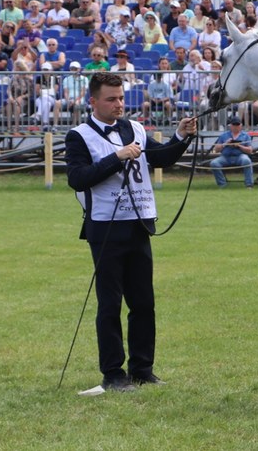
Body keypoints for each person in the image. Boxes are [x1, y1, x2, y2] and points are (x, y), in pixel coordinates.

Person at [65, 72, 198, 393]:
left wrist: (180, 137)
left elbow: (160, 158)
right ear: (93, 101)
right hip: (104, 227)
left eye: (121, 98)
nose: (118, 104)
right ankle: (113, 374)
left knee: (143, 302)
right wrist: (117, 157)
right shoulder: (79, 135)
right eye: (110, 99)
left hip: (138, 224)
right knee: (109, 304)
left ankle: (142, 369)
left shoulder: (135, 128)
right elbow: (78, 178)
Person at [210, 115, 254, 188]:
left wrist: (239, 146)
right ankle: (222, 184)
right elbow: (216, 149)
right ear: (230, 126)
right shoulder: (223, 135)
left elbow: (250, 150)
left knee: (247, 161)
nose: (236, 126)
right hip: (225, 157)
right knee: (214, 163)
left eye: (237, 124)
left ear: (241, 125)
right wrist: (225, 144)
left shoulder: (246, 136)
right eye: (234, 124)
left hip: (240, 156)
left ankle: (249, 184)